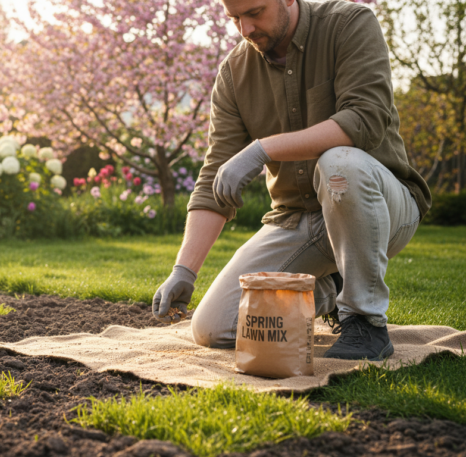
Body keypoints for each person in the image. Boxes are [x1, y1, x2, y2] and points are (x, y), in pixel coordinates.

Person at [152, 0, 431, 361]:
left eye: (254, 12)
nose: (245, 29)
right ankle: (332, 286)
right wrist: (184, 269)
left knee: (339, 164)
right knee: (215, 328)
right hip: (298, 219)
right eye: (235, 18)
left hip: (380, 206)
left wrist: (262, 150)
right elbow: (214, 178)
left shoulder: (349, 24)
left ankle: (364, 322)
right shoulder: (235, 72)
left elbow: (365, 119)